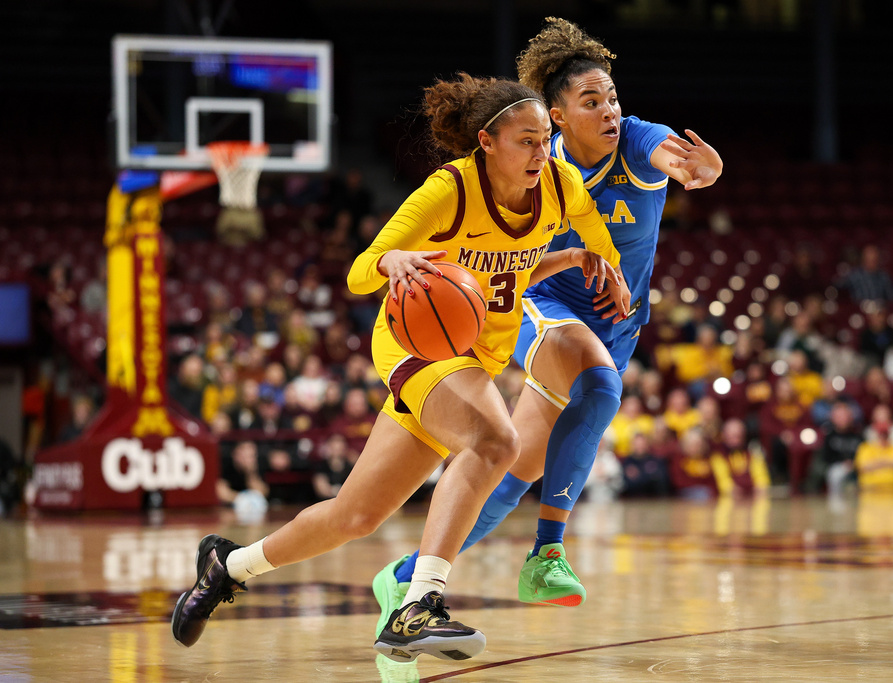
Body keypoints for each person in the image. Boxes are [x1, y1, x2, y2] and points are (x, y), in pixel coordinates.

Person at [171, 72, 627, 663]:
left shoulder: (561, 187)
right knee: (496, 441)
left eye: (545, 139)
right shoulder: (449, 191)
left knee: (354, 515)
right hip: (416, 345)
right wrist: (394, 259)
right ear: (486, 142)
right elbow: (359, 271)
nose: (542, 152)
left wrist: (584, 259)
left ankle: (226, 566)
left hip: (472, 357)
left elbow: (522, 270)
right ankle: (419, 606)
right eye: (526, 141)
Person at [376, 16, 722, 616]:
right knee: (598, 383)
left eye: (612, 97)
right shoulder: (536, 160)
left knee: (513, 475)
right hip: (542, 300)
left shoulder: (639, 142)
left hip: (618, 322)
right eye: (592, 102)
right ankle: (547, 554)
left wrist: (700, 170)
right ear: (557, 116)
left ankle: (406, 578)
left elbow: (671, 155)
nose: (610, 111)